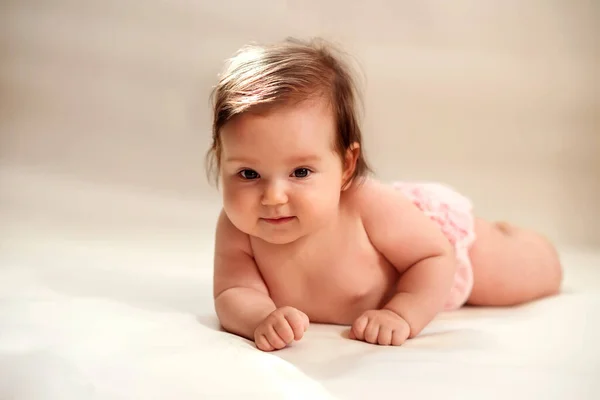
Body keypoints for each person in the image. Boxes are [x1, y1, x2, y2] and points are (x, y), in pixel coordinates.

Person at [207, 38, 563, 351]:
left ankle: (515, 238)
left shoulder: (366, 204)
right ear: (222, 163)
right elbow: (234, 292)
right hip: (416, 249)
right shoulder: (238, 228)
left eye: (300, 172)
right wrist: (260, 320)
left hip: (440, 253)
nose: (273, 196)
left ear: (346, 167)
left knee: (527, 272)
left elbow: (433, 256)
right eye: (248, 174)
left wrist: (402, 312)